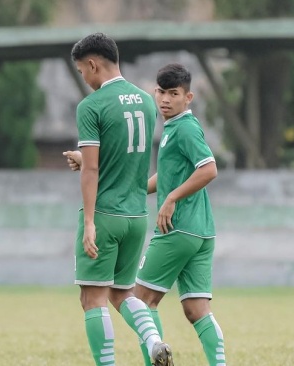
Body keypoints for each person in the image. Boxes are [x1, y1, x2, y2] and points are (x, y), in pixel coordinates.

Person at [63, 33, 173, 366]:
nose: (84, 77)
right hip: (137, 215)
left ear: (93, 64)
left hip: (106, 214)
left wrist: (90, 222)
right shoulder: (144, 100)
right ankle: (153, 340)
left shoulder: (91, 106)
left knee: (92, 297)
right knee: (122, 292)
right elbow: (126, 159)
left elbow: (93, 169)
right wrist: (86, 160)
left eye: (82, 70)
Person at [132, 63, 227, 366]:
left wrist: (172, 198)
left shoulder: (184, 127)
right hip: (201, 232)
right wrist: (135, 191)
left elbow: (209, 168)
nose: (165, 99)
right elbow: (166, 176)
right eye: (161, 92)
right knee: (197, 309)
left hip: (178, 228)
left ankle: (156, 361)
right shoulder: (174, 128)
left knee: (139, 301)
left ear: (188, 97)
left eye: (174, 93)